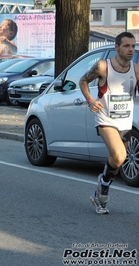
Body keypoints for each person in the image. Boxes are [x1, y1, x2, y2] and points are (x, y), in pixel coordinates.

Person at [79, 31, 139, 214]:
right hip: (105, 118)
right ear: (117, 47)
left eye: (133, 46)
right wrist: (90, 100)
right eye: (126, 46)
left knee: (117, 160)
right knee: (120, 155)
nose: (131, 50)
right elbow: (83, 81)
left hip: (125, 120)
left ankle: (101, 188)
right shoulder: (103, 67)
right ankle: (103, 191)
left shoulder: (136, 69)